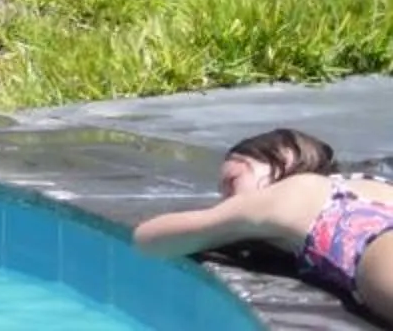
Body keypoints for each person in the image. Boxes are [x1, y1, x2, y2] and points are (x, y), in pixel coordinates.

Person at [132, 128, 393, 317]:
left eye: (231, 183)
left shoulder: (286, 195)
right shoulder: (363, 183)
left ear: (283, 156)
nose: (226, 199)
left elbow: (148, 239)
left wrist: (219, 224)